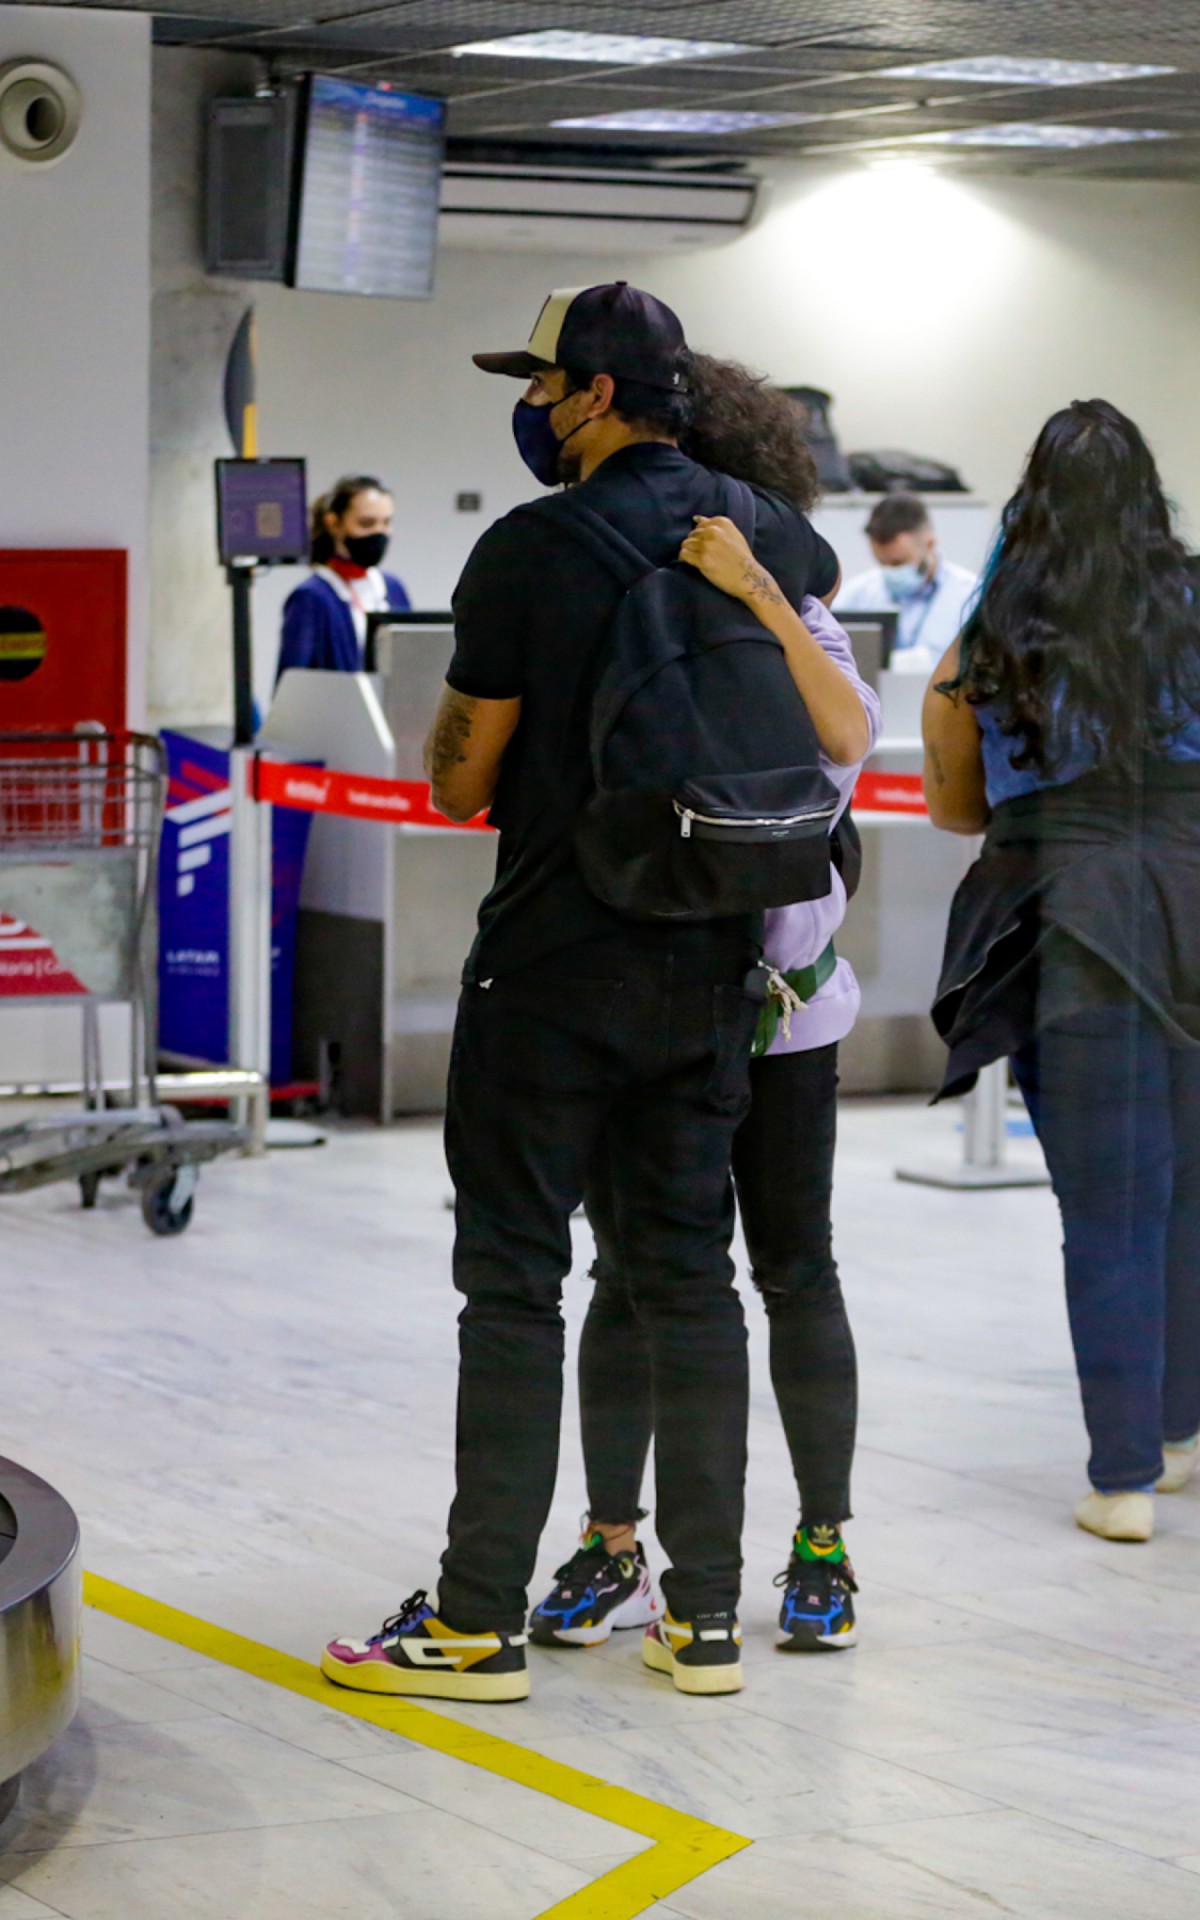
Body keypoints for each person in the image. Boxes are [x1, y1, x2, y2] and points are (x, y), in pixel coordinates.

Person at [320, 284, 844, 1703]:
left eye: (545, 385)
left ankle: (479, 1620)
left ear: (597, 395)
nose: (536, 405)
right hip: (710, 967)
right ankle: (708, 1621)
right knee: (691, 1283)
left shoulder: (531, 549)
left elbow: (462, 774)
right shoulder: (770, 530)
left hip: (550, 964)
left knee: (514, 1288)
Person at [529, 358, 880, 1659]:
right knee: (630, 1276)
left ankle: (824, 1543)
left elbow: (844, 738)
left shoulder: (795, 614)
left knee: (794, 1270)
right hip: (657, 1005)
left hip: (782, 1010)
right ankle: (615, 1539)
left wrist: (756, 596)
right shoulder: (625, 613)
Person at [923, 398, 1200, 1545]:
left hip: (1071, 920)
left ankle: (1123, 1479)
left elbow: (955, 807)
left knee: (1110, 1209)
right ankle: (1179, 1434)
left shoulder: (986, 639)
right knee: (1188, 1197)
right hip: (1196, 903)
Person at [276, 474, 409, 678]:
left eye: (386, 523)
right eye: (366, 523)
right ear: (334, 524)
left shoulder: (392, 588)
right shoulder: (311, 597)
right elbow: (292, 682)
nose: (379, 533)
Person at [836, 492, 977, 675]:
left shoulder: (970, 595)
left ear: (930, 544)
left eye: (898, 563)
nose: (890, 572)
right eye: (882, 564)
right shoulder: (858, 593)